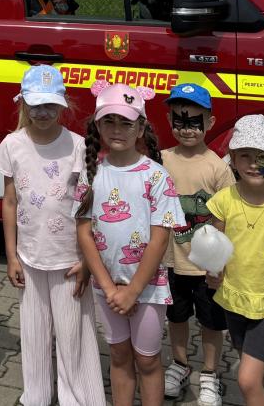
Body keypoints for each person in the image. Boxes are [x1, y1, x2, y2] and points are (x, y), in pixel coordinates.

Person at [0, 66, 103, 406]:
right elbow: (10, 201)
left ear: (63, 103)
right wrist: (11, 255)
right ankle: (36, 395)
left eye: (50, 105)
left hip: (69, 258)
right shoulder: (13, 144)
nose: (42, 113)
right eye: (36, 105)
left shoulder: (78, 146)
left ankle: (79, 398)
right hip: (29, 257)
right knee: (34, 331)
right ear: (24, 103)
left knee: (73, 334)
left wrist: (87, 260)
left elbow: (88, 206)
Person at [75, 81, 184, 406]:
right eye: (108, 121)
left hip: (148, 289)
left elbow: (159, 239)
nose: (116, 129)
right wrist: (110, 289)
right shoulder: (90, 174)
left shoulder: (156, 176)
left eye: (126, 122)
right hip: (106, 289)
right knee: (119, 356)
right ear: (97, 126)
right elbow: (84, 233)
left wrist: (133, 291)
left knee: (148, 360)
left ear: (141, 128)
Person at [206, 115, 264, 406]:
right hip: (234, 298)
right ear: (232, 160)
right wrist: (213, 269)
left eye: (263, 156)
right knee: (252, 371)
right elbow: (216, 242)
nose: (254, 164)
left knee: (246, 379)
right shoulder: (224, 199)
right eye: (245, 155)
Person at [160, 83, 234, 405]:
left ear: (210, 122)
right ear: (169, 120)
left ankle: (210, 373)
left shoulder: (218, 167)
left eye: (194, 121)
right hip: (170, 261)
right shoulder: (161, 160)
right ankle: (179, 364)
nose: (186, 128)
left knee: (211, 322)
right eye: (179, 120)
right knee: (176, 317)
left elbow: (225, 217)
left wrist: (218, 265)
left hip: (206, 268)